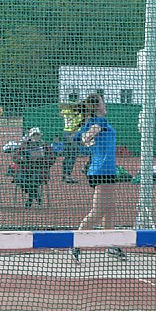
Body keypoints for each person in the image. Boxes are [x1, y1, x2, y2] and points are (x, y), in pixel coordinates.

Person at [70, 94, 121, 261]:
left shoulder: (93, 123)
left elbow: (82, 137)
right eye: (102, 102)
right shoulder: (98, 122)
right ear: (97, 107)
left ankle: (111, 245)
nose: (104, 105)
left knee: (110, 209)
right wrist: (88, 136)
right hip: (101, 170)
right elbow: (86, 137)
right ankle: (76, 241)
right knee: (98, 211)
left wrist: (86, 137)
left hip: (107, 170)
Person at [12, 127, 56, 208]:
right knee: (20, 179)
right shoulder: (24, 145)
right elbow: (15, 157)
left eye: (37, 135)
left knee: (34, 179)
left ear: (40, 136)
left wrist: (42, 159)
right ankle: (36, 196)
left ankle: (30, 199)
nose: (35, 137)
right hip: (25, 170)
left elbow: (52, 159)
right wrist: (22, 159)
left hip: (40, 170)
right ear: (30, 136)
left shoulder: (45, 146)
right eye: (33, 135)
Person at [59, 102, 83, 183]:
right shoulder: (77, 113)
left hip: (65, 133)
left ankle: (64, 175)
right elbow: (79, 124)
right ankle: (67, 176)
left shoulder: (66, 111)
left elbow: (61, 113)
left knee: (67, 155)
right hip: (73, 134)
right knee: (72, 155)